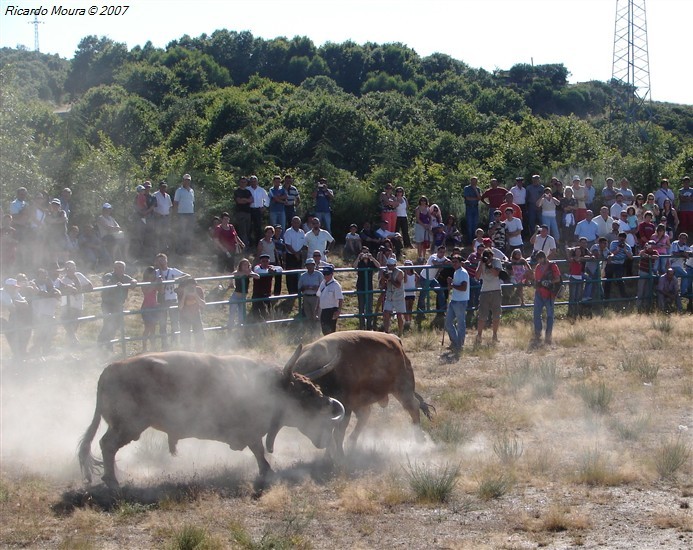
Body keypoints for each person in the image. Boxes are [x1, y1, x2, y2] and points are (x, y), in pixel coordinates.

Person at [98, 261, 137, 351]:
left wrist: (133, 281)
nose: (119, 269)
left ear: (124, 269)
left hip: (118, 305)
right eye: (117, 267)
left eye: (121, 267)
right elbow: (107, 282)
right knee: (108, 324)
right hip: (108, 304)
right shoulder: (109, 276)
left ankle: (109, 344)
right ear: (114, 268)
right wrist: (114, 285)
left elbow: (133, 281)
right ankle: (100, 343)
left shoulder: (125, 277)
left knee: (116, 325)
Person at [154, 253, 187, 350]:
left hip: (172, 299)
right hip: (162, 300)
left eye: (163, 260)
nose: (162, 262)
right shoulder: (156, 272)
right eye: (159, 261)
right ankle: (164, 344)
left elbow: (187, 275)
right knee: (162, 323)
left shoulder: (172, 271)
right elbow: (155, 283)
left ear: (167, 260)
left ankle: (174, 342)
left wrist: (176, 280)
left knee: (174, 322)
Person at [56, 260, 93, 346]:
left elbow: (90, 286)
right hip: (68, 307)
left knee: (73, 329)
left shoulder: (79, 275)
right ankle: (71, 347)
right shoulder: (64, 280)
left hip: (78, 305)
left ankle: (68, 351)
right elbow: (66, 290)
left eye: (73, 267)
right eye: (69, 268)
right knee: (70, 329)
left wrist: (78, 288)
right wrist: (76, 289)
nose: (72, 270)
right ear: (66, 269)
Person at [532, 250, 561, 346]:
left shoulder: (552, 266)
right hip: (539, 293)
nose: (539, 261)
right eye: (538, 259)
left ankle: (548, 335)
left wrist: (549, 282)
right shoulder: (537, 267)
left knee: (549, 315)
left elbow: (558, 278)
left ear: (544, 257)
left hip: (549, 294)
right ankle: (538, 333)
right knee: (536, 314)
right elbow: (536, 280)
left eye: (541, 258)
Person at [475, 248, 502, 344]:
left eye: (490, 257)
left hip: (496, 290)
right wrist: (481, 264)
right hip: (485, 291)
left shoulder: (497, 262)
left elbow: (496, 274)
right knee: (482, 315)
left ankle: (494, 335)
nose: (488, 259)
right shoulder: (481, 263)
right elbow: (477, 277)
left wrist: (489, 265)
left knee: (496, 314)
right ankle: (479, 335)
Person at [0, 277, 32, 361]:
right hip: (3, 318)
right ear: (7, 287)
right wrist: (18, 303)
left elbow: (25, 304)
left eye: (15, 287)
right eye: (13, 287)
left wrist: (16, 302)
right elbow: (12, 308)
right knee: (11, 331)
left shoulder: (13, 292)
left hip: (5, 318)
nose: (15, 289)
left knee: (25, 329)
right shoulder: (2, 293)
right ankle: (18, 353)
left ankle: (19, 352)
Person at [444, 255, 470, 356]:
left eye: (455, 262)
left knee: (460, 323)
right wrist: (451, 284)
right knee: (448, 322)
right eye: (452, 261)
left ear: (460, 262)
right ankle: (455, 342)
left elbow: (463, 287)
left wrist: (452, 285)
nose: (453, 263)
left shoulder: (463, 273)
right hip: (454, 300)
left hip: (461, 301)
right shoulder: (456, 272)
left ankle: (459, 345)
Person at [352, 247, 380, 330]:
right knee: (361, 307)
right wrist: (358, 257)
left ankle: (369, 326)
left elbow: (378, 266)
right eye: (363, 253)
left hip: (369, 287)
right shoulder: (359, 262)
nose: (365, 254)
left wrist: (372, 258)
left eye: (366, 252)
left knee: (369, 307)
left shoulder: (371, 263)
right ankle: (361, 326)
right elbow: (354, 266)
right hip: (360, 286)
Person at [227, 258, 258, 329]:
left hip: (243, 296)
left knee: (241, 314)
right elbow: (233, 274)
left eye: (247, 265)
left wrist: (250, 273)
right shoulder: (237, 272)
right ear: (240, 265)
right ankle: (230, 328)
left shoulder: (249, 273)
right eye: (244, 264)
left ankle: (240, 328)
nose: (245, 266)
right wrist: (244, 273)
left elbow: (257, 276)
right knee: (232, 312)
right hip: (235, 295)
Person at [176, 276, 205, 351]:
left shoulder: (198, 290)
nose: (192, 288)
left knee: (199, 339)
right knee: (186, 341)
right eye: (190, 286)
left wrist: (195, 295)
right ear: (186, 286)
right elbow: (180, 307)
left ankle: (199, 355)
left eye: (194, 285)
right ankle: (187, 357)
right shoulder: (182, 291)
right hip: (184, 316)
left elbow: (203, 305)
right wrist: (185, 294)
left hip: (196, 315)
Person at [604, 232, 633, 305]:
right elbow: (611, 253)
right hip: (611, 264)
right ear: (618, 237)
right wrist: (617, 250)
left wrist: (625, 250)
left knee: (619, 280)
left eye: (623, 237)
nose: (621, 239)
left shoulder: (628, 246)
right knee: (608, 281)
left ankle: (624, 297)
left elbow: (631, 257)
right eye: (620, 237)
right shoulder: (613, 243)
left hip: (619, 265)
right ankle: (606, 298)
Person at [251, 253, 282, 320]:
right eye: (263, 261)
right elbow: (258, 271)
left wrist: (274, 270)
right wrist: (270, 271)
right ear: (260, 262)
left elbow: (280, 268)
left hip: (267, 294)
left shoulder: (271, 267)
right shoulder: (257, 267)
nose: (265, 263)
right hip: (257, 294)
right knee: (255, 313)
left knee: (266, 313)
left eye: (266, 261)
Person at [283, 216, 307, 298]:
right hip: (290, 255)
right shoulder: (288, 232)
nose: (296, 224)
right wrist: (294, 253)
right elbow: (287, 244)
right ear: (292, 223)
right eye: (295, 222)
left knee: (298, 273)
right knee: (290, 274)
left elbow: (304, 244)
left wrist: (299, 253)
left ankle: (297, 291)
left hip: (299, 255)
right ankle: (291, 292)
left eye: (298, 222)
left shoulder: (302, 232)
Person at [381, 257, 406, 336]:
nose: (389, 267)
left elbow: (398, 285)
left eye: (391, 265)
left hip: (398, 296)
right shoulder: (385, 271)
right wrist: (383, 278)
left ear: (395, 265)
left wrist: (390, 279)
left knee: (399, 315)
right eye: (388, 265)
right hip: (389, 295)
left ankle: (400, 332)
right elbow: (382, 284)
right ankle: (386, 332)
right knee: (386, 313)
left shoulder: (400, 273)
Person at [298, 257, 324, 326]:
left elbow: (323, 286)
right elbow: (299, 288)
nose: (310, 266)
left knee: (317, 316)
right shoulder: (303, 276)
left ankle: (316, 331)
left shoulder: (319, 274)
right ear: (306, 266)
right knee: (308, 316)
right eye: (308, 265)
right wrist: (304, 288)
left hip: (316, 297)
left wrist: (317, 288)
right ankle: (310, 331)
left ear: (314, 265)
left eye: (311, 265)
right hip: (306, 297)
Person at [317, 264, 342, 335]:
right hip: (324, 310)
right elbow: (319, 295)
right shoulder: (323, 283)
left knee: (331, 330)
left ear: (331, 274)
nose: (326, 276)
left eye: (327, 274)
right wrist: (317, 307)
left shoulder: (336, 285)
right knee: (324, 329)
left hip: (332, 310)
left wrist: (338, 311)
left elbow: (340, 299)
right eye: (324, 274)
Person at [173, 173, 196, 254]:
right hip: (181, 214)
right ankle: (179, 249)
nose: (187, 182)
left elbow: (192, 202)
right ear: (183, 180)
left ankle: (187, 249)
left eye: (189, 180)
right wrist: (175, 214)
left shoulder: (192, 191)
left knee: (189, 232)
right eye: (186, 180)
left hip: (190, 214)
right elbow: (175, 203)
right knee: (181, 232)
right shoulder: (179, 191)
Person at [139, 266, 160, 352]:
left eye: (154, 273)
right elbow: (147, 291)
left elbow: (160, 290)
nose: (153, 275)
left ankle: (153, 347)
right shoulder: (144, 282)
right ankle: (144, 347)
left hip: (154, 306)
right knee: (147, 328)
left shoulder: (154, 282)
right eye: (151, 273)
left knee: (153, 329)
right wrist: (155, 283)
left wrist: (159, 282)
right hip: (146, 307)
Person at [636, 240, 660, 312]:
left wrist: (648, 256)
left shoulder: (655, 252)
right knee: (641, 289)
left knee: (648, 290)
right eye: (650, 244)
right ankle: (638, 307)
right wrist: (645, 249)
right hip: (643, 271)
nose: (651, 246)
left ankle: (646, 307)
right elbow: (639, 255)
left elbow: (656, 257)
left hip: (650, 272)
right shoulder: (644, 251)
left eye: (653, 245)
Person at [670, 232, 692, 302]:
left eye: (684, 238)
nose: (683, 240)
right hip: (672, 265)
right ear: (678, 238)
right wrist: (683, 253)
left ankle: (676, 296)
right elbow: (674, 253)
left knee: (675, 284)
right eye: (681, 238)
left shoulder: (685, 246)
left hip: (680, 266)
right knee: (685, 275)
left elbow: (690, 252)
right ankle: (683, 292)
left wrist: (687, 253)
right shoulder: (675, 243)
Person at [248, 175, 269, 247]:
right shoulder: (247, 189)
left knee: (258, 228)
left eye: (255, 181)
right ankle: (250, 244)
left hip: (258, 210)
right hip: (249, 210)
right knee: (249, 228)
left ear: (257, 181)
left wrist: (264, 207)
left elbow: (267, 199)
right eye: (252, 181)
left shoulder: (261, 190)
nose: (253, 183)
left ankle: (258, 244)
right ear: (250, 182)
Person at [152, 181, 173, 253]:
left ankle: (164, 248)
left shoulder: (168, 196)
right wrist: (156, 213)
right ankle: (157, 249)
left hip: (166, 217)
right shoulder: (155, 195)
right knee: (158, 233)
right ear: (160, 187)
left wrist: (170, 215)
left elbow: (170, 206)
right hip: (158, 217)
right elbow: (152, 206)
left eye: (165, 186)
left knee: (165, 233)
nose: (164, 188)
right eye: (162, 186)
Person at [233, 176, 253, 247]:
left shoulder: (248, 191)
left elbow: (251, 200)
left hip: (248, 213)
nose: (243, 183)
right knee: (242, 231)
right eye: (242, 182)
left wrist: (244, 199)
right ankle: (244, 248)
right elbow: (239, 201)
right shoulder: (237, 191)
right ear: (239, 182)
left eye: (245, 182)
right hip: (240, 213)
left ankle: (245, 246)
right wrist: (246, 200)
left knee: (248, 231)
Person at [463, 177, 482, 244]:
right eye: (473, 181)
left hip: (475, 208)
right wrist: (476, 198)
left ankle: (475, 240)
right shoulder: (466, 188)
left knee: (475, 224)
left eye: (475, 181)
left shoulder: (478, 189)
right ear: (470, 181)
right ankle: (469, 241)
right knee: (469, 224)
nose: (474, 183)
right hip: (469, 208)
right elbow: (468, 198)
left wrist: (475, 190)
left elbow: (479, 198)